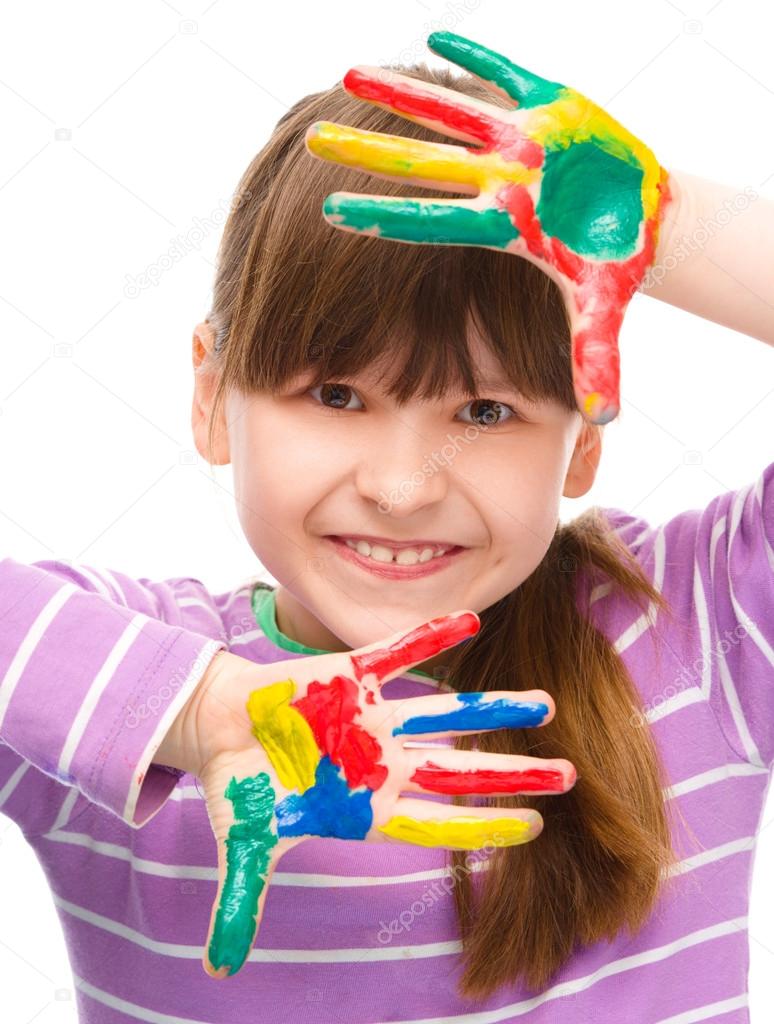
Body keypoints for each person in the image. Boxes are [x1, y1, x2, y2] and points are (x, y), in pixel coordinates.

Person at [1, 30, 772, 1024]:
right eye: (334, 393)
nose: (403, 488)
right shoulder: (121, 688)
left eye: (486, 411)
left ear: (582, 443)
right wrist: (196, 711)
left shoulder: (696, 630)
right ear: (210, 395)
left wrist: (665, 221)